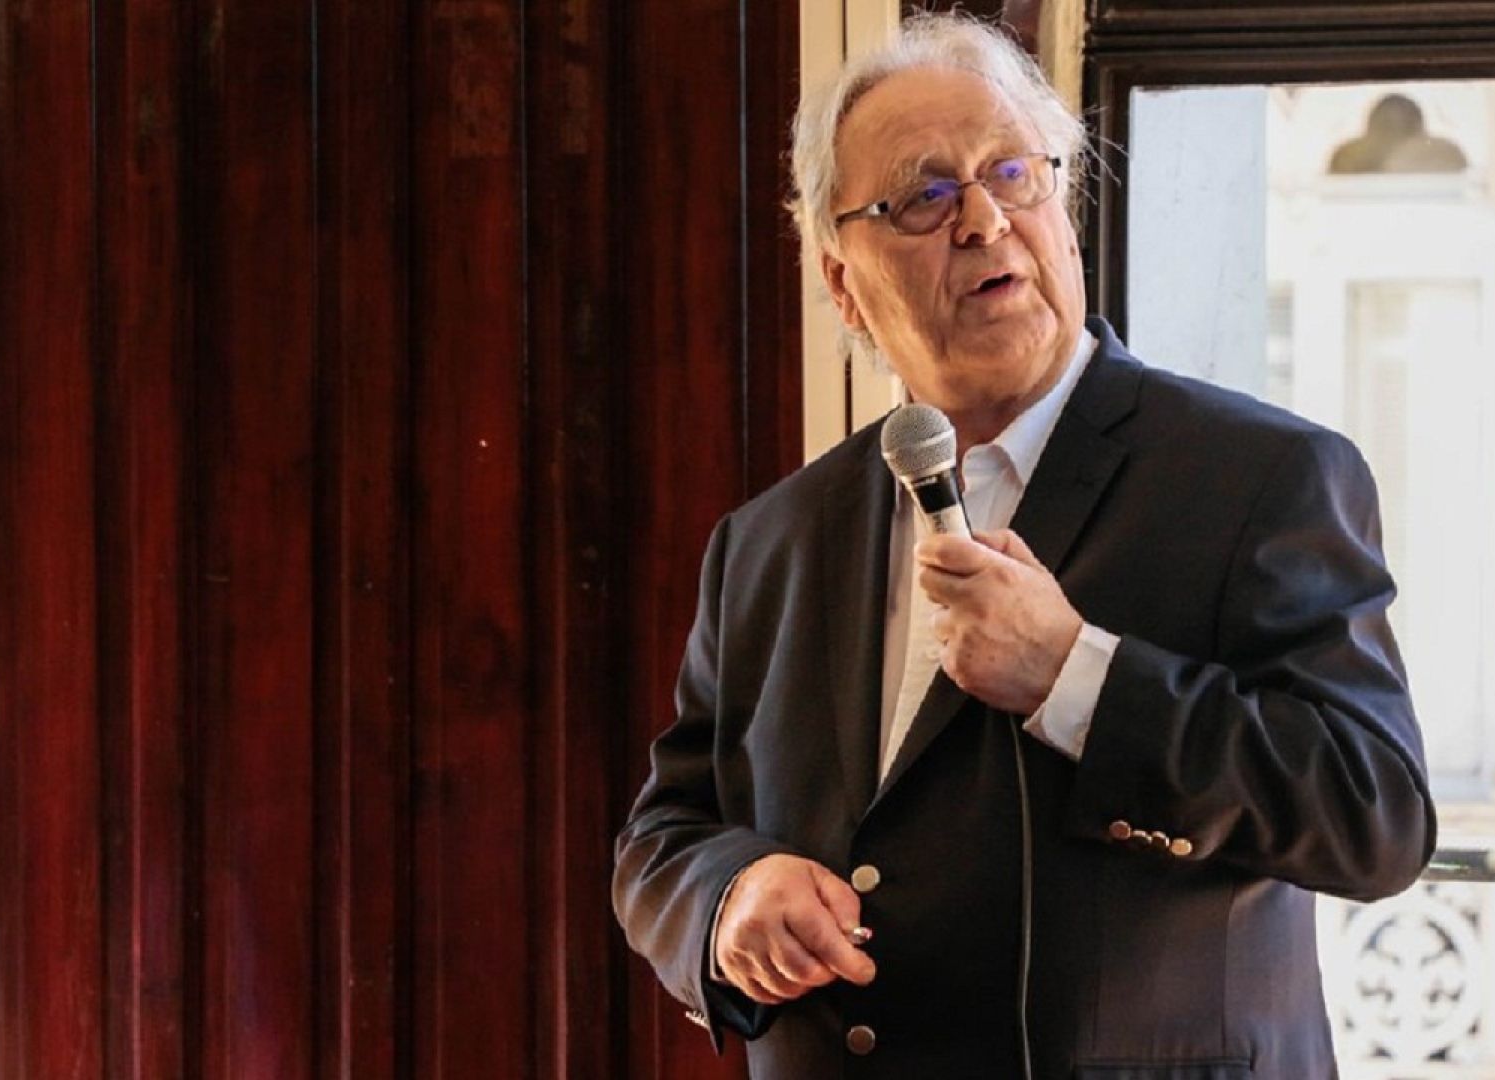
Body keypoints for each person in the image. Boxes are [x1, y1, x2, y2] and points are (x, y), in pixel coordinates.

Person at [612, 14, 1435, 1078]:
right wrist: (729, 900)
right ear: (841, 278)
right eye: (923, 196)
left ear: (1065, 207)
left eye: (1014, 172)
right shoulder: (769, 540)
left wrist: (1075, 677)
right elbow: (664, 834)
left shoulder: (1260, 478)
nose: (984, 220)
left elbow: (1375, 815)